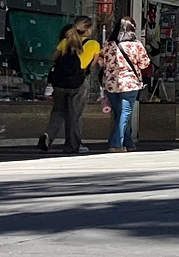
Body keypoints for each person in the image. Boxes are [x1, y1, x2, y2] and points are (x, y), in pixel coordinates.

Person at [38, 16, 100, 154]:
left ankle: (48, 135)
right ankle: (72, 145)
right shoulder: (94, 44)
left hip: (60, 82)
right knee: (75, 115)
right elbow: (93, 64)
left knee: (58, 111)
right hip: (78, 83)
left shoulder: (65, 41)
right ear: (88, 30)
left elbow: (54, 58)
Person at [100, 16, 151, 153]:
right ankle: (116, 144)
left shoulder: (108, 45)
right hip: (130, 83)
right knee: (125, 113)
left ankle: (128, 142)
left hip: (111, 83)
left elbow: (101, 62)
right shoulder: (136, 45)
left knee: (120, 114)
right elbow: (144, 64)